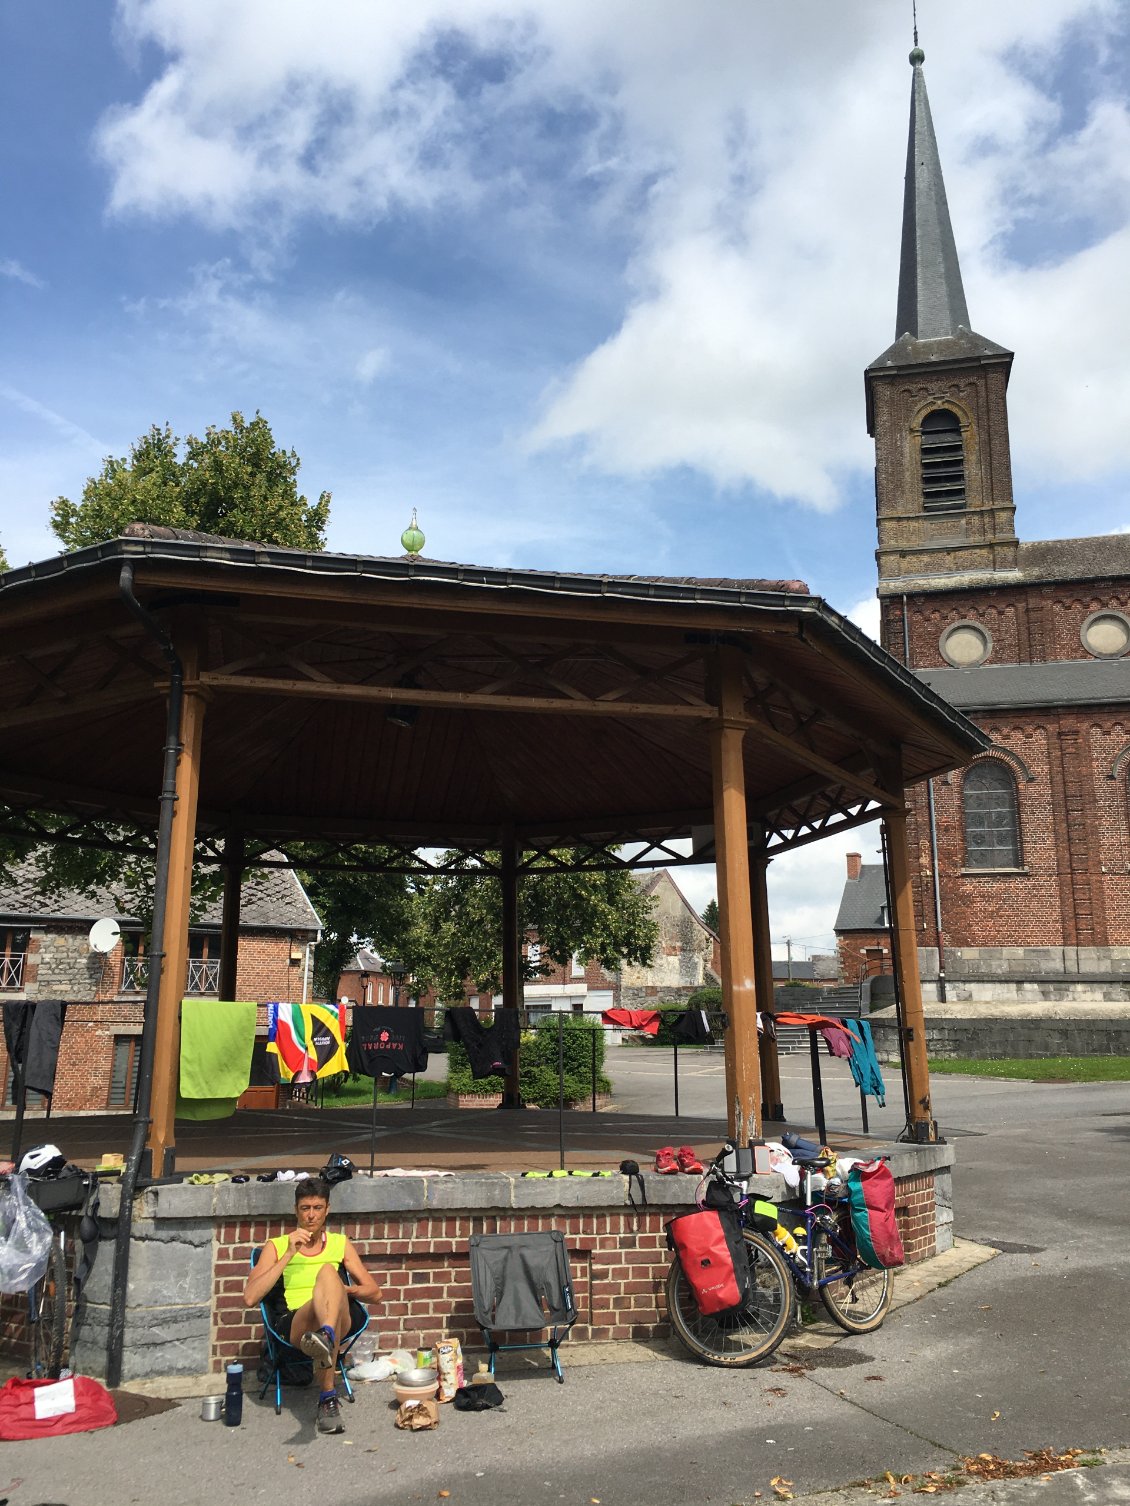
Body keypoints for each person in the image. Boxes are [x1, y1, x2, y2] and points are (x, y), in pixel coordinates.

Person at [243, 1175, 382, 1435]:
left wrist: (343, 1291)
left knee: (329, 1273)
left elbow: (375, 1293)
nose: (311, 1216)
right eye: (305, 1208)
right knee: (325, 1291)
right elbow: (250, 1297)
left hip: (337, 1316)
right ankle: (327, 1394)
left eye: (317, 1208)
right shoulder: (277, 1246)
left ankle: (326, 1335)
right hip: (297, 1320)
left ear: (327, 1210)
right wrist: (287, 1255)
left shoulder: (340, 1244)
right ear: (296, 1210)